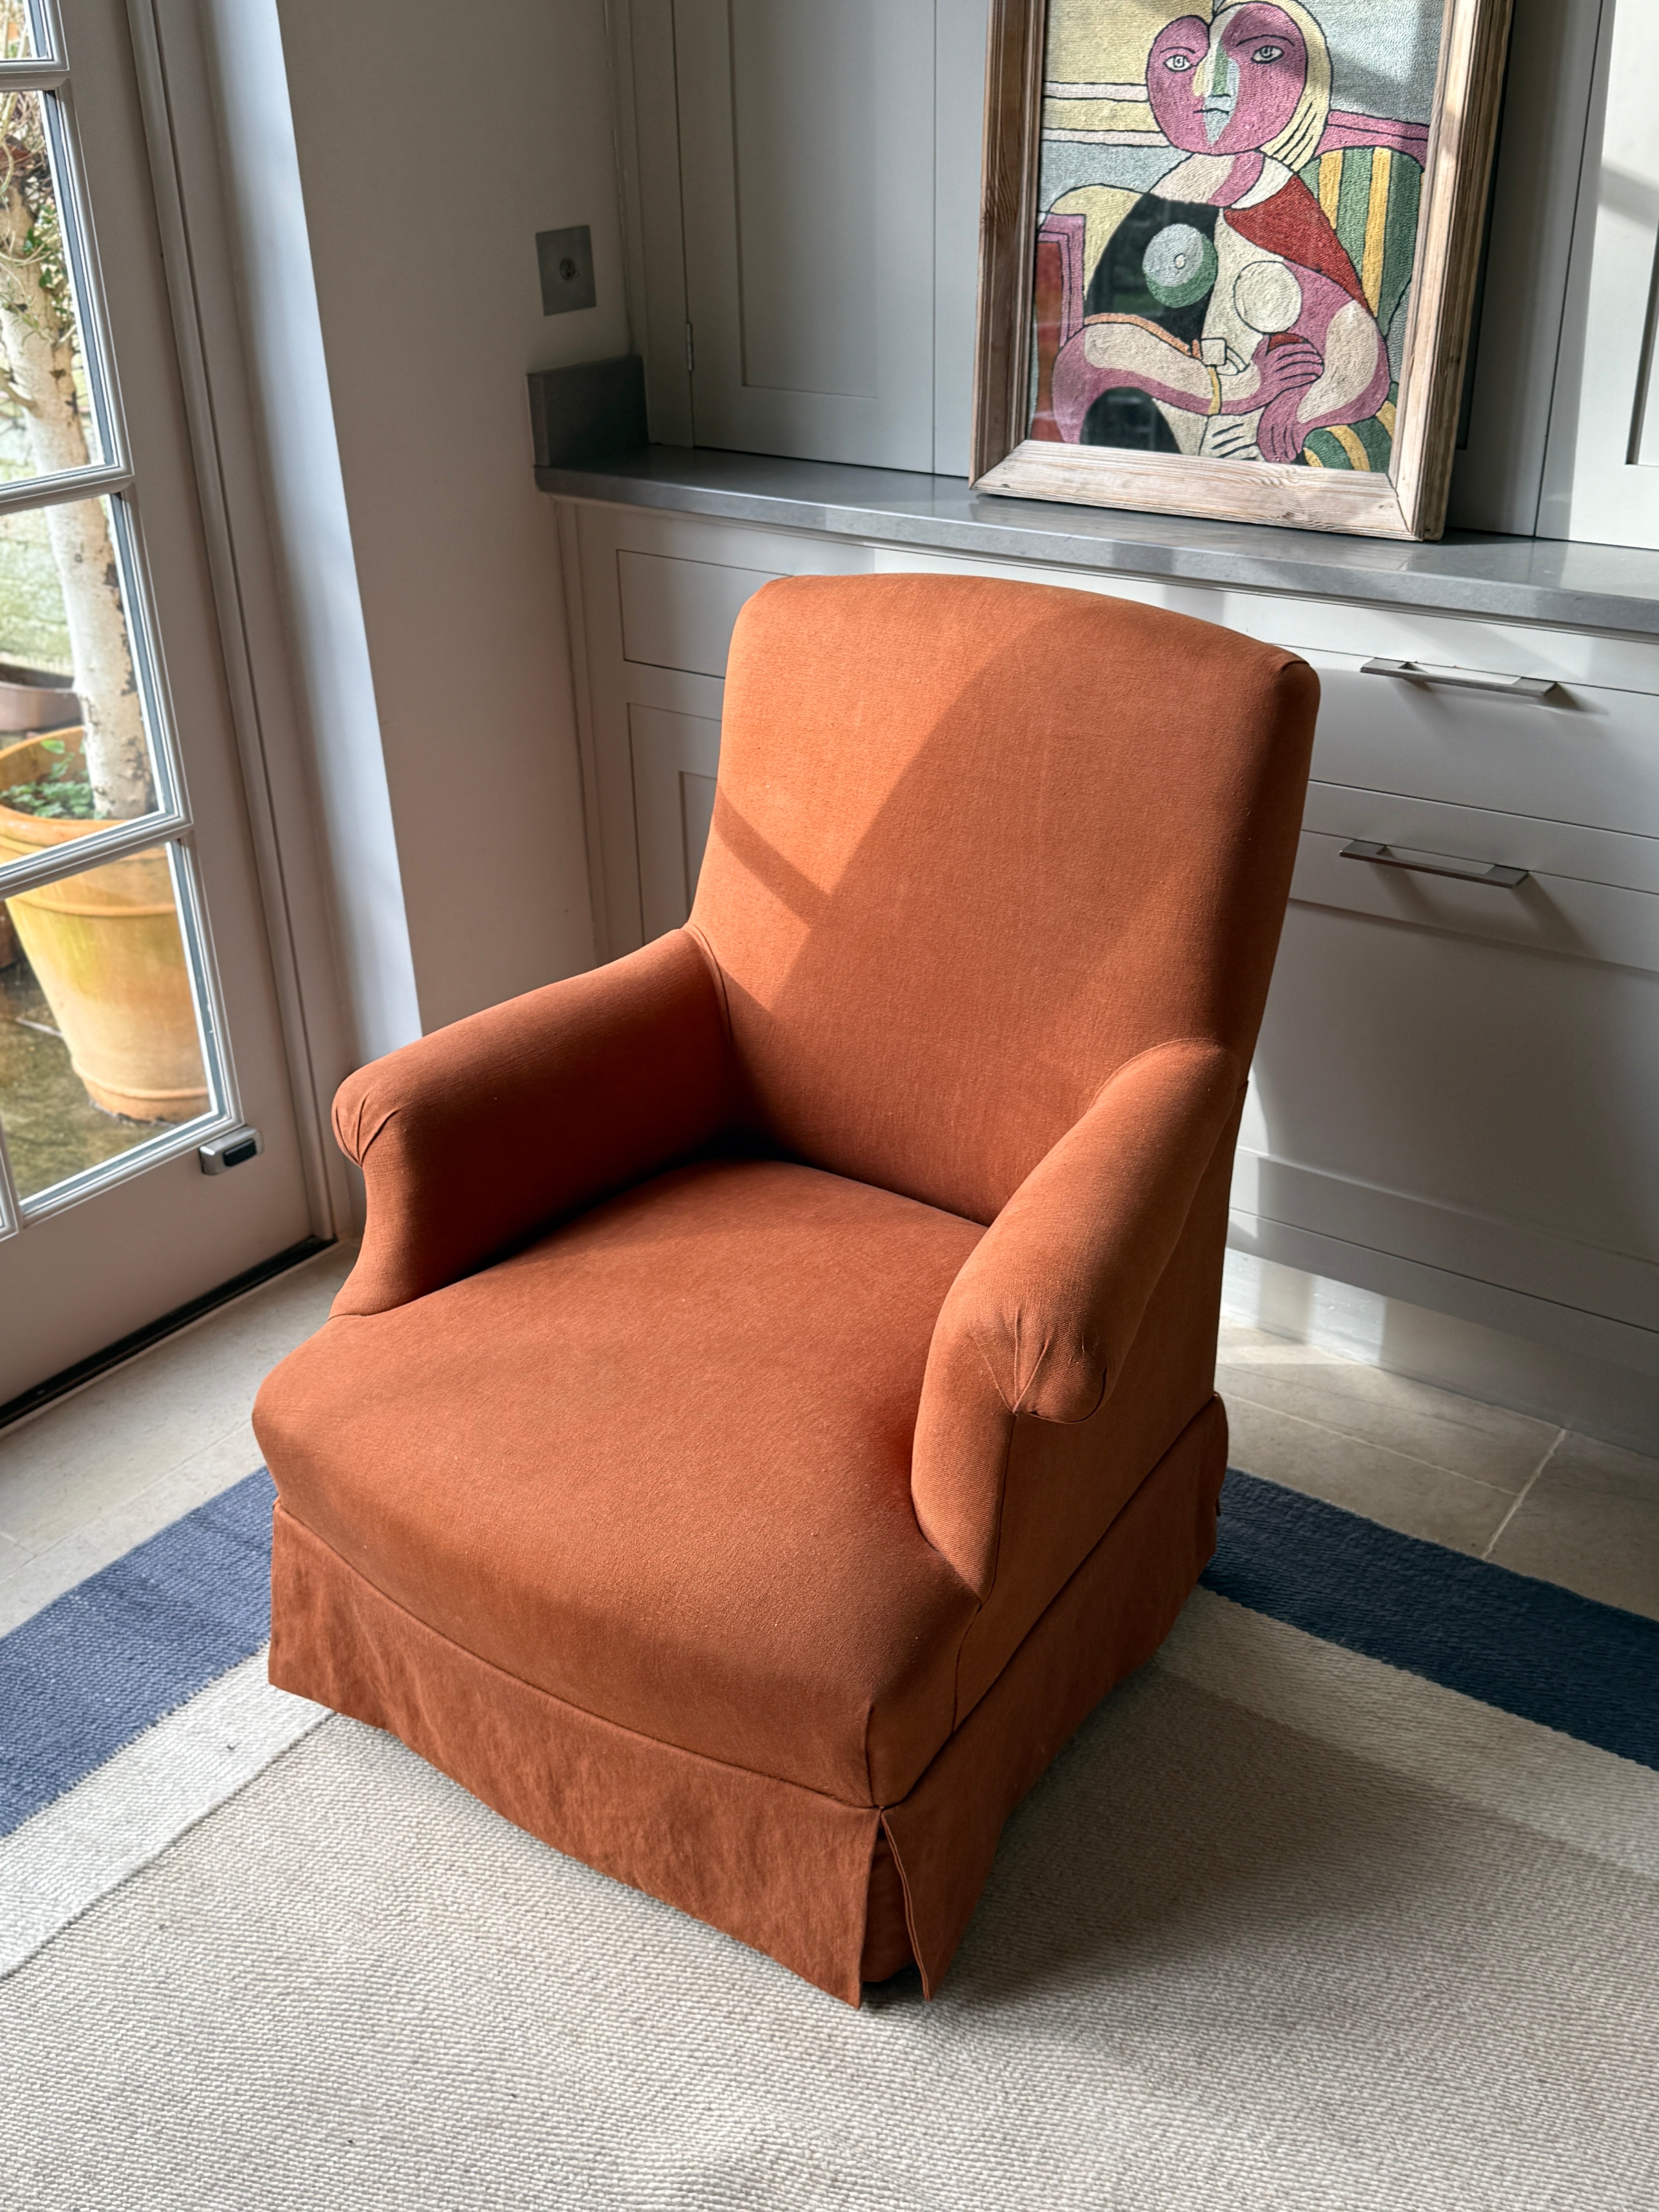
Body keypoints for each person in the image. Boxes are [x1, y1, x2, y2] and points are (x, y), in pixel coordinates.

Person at [1049, 0, 1389, 464]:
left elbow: (1356, 355)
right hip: (1134, 445)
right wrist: (1235, 387)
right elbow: (1099, 350)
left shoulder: (1276, 203)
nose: (1212, 89)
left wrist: (1300, 409)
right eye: (1179, 62)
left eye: (1264, 55)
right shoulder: (1167, 199)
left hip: (1237, 451)